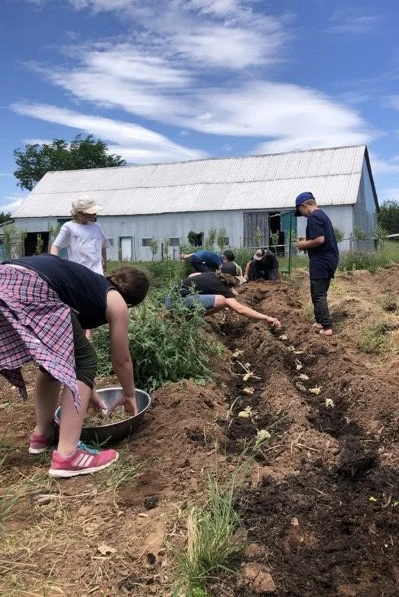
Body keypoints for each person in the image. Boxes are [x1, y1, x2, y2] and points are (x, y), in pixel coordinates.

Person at [0, 254, 150, 478]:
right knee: (86, 360)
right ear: (131, 304)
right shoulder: (117, 302)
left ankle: (43, 434)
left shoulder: (87, 288)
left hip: (8, 278)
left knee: (55, 360)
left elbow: (66, 352)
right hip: (31, 285)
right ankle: (68, 455)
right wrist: (129, 394)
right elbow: (121, 359)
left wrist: (89, 392)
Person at [166, 271, 281, 328]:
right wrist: (266, 317)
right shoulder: (223, 289)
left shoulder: (212, 275)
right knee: (221, 301)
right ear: (231, 286)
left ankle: (186, 315)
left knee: (217, 299)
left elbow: (193, 275)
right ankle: (189, 319)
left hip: (171, 297)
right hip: (176, 302)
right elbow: (240, 309)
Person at [295, 192, 339, 336]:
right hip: (328, 259)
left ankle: (327, 327)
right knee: (317, 292)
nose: (301, 214)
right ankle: (320, 321)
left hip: (322, 260)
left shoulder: (313, 217)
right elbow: (319, 237)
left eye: (300, 211)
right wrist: (306, 240)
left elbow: (320, 240)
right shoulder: (322, 215)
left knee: (319, 294)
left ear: (304, 205)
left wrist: (303, 245)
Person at [50, 194, 110, 275]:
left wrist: (104, 261)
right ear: (80, 214)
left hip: (97, 272)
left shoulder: (97, 227)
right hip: (78, 272)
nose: (94, 215)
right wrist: (54, 262)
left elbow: (103, 244)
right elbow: (55, 246)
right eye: (90, 213)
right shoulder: (69, 227)